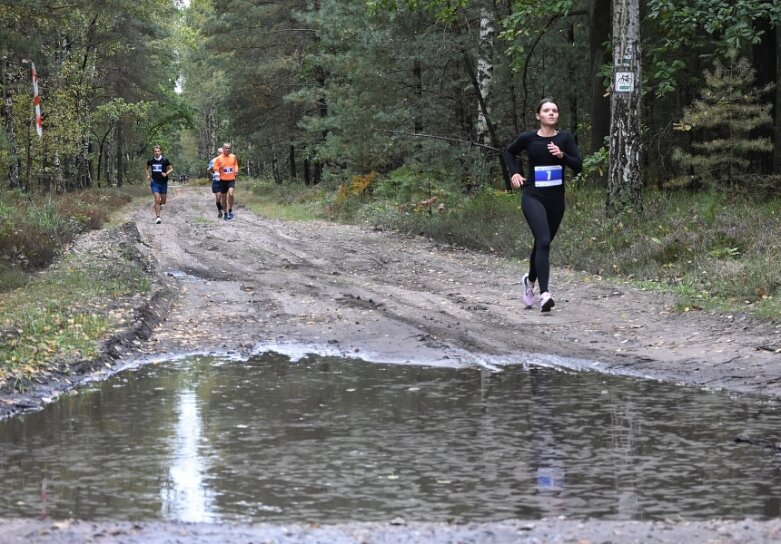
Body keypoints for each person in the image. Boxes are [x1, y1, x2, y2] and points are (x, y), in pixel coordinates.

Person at [503, 98, 582, 312]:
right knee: (544, 240)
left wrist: (562, 156)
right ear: (538, 116)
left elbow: (579, 166)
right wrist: (515, 173)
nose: (551, 113)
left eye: (555, 110)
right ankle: (545, 294)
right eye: (546, 110)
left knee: (542, 244)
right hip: (533, 196)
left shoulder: (565, 138)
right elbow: (509, 152)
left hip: (556, 200)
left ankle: (529, 283)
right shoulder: (528, 138)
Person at [145, 145, 174, 224]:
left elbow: (171, 168)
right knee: (157, 199)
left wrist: (166, 173)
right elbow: (146, 168)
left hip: (163, 182)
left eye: (158, 151)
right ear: (153, 152)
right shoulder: (151, 161)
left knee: (163, 201)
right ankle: (158, 218)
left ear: (160, 152)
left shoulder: (165, 160)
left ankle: (159, 204)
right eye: (155, 151)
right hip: (154, 182)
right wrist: (147, 175)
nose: (157, 153)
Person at [212, 143, 239, 221]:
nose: (227, 150)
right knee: (223, 198)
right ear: (223, 149)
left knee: (231, 193)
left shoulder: (233, 156)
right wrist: (219, 169)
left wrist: (236, 170)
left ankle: (230, 210)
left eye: (229, 148)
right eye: (226, 148)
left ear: (230, 149)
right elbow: (215, 167)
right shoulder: (219, 158)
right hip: (223, 180)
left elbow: (235, 164)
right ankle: (226, 213)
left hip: (231, 179)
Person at [208, 147, 224, 218]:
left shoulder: (227, 160)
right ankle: (219, 209)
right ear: (217, 153)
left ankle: (224, 209)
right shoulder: (213, 160)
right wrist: (212, 170)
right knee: (218, 196)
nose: (221, 154)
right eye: (219, 153)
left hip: (225, 180)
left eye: (222, 153)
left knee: (224, 196)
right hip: (216, 180)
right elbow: (208, 169)